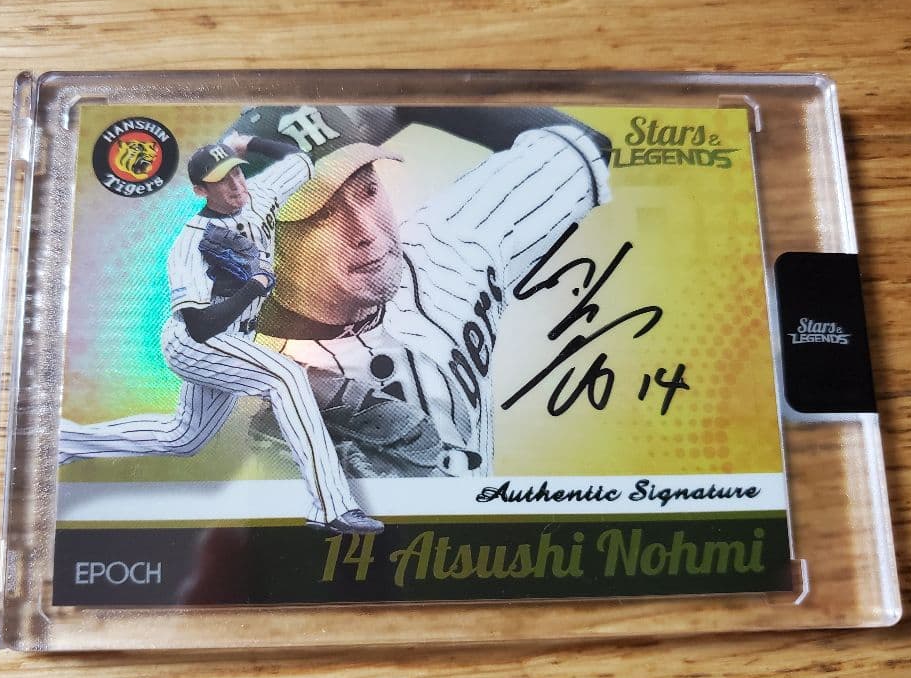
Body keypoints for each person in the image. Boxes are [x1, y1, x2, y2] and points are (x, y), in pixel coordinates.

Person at [241, 105, 613, 476]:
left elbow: (576, 147)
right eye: (322, 213)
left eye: (368, 189)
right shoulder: (243, 368)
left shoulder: (446, 245)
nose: (367, 231)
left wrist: (405, 99)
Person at [59, 132, 383, 535]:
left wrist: (247, 143)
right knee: (285, 377)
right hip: (195, 343)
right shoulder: (190, 243)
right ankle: (332, 506)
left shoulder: (259, 194)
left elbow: (299, 159)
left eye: (236, 174)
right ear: (201, 190)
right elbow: (198, 325)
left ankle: (65, 441)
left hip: (236, 341)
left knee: (183, 437)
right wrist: (253, 287)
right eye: (221, 180)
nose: (234, 185)